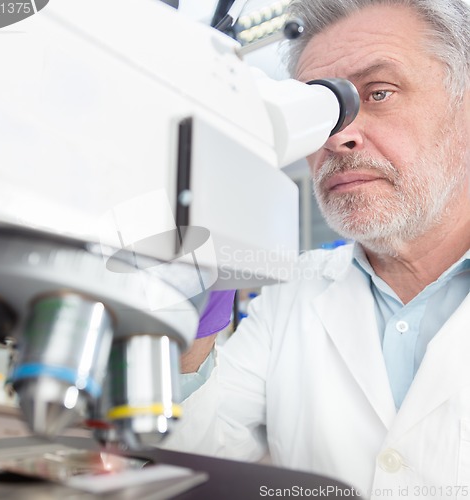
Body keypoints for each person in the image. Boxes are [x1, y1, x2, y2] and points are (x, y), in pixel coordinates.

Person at [164, 0, 470, 498]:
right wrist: (195, 310)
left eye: (380, 92)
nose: (338, 136)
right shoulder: (291, 293)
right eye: (321, 111)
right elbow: (191, 459)